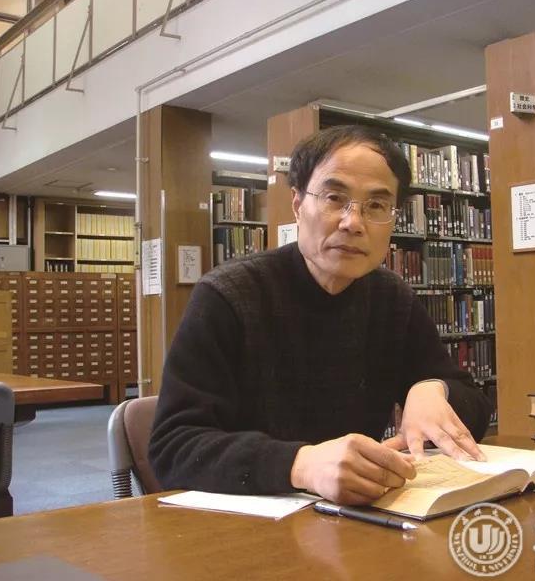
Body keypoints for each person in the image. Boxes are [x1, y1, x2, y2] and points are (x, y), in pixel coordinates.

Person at [149, 125, 493, 505]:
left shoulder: (392, 299)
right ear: (298, 205)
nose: (353, 222)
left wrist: (435, 389)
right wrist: (301, 465)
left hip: (356, 517)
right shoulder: (229, 296)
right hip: (246, 520)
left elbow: (476, 409)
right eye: (334, 198)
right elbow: (173, 447)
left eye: (376, 206)